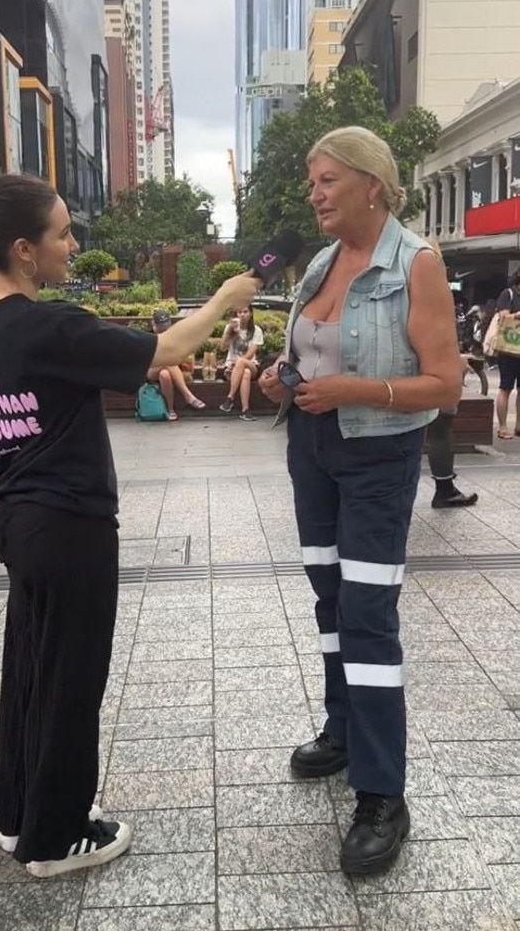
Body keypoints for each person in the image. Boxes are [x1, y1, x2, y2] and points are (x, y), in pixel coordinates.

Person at [0, 174, 259, 879]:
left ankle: (14, 809)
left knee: (29, 669)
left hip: (20, 524)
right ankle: (55, 838)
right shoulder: (52, 326)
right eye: (61, 233)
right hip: (71, 528)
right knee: (72, 681)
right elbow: (167, 352)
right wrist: (228, 298)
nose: (72, 244)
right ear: (23, 250)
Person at [259, 126, 461, 876]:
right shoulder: (321, 261)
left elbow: (443, 383)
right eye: (312, 180)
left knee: (368, 614)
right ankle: (343, 728)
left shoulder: (418, 264)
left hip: (377, 452)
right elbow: (309, 347)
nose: (313, 192)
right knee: (329, 597)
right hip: (312, 449)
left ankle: (382, 792)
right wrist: (291, 373)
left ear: (373, 184)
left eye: (327, 180)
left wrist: (357, 389)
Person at [422, 242, 478, 509]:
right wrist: (455, 359)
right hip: (433, 369)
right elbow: (439, 330)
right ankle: (444, 489)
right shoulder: (430, 283)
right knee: (441, 427)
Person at [147, 308, 205, 420]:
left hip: (168, 370)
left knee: (165, 375)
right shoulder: (149, 337)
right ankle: (187, 395)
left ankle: (170, 409)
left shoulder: (173, 337)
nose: (163, 329)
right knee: (169, 363)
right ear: (154, 325)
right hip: (150, 371)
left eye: (165, 326)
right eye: (160, 327)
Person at [219, 305, 264, 421]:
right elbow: (222, 348)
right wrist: (229, 332)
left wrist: (237, 363)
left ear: (250, 314)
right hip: (232, 369)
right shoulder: (230, 328)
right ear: (236, 314)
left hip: (251, 364)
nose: (242, 315)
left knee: (244, 365)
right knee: (246, 373)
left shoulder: (256, 330)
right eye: (239, 312)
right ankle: (245, 410)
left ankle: (230, 398)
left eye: (245, 312)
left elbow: (251, 353)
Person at [494, 270, 520, 440]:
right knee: (506, 388)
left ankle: (519, 426)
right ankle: (503, 427)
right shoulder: (508, 294)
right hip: (509, 349)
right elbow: (503, 317)